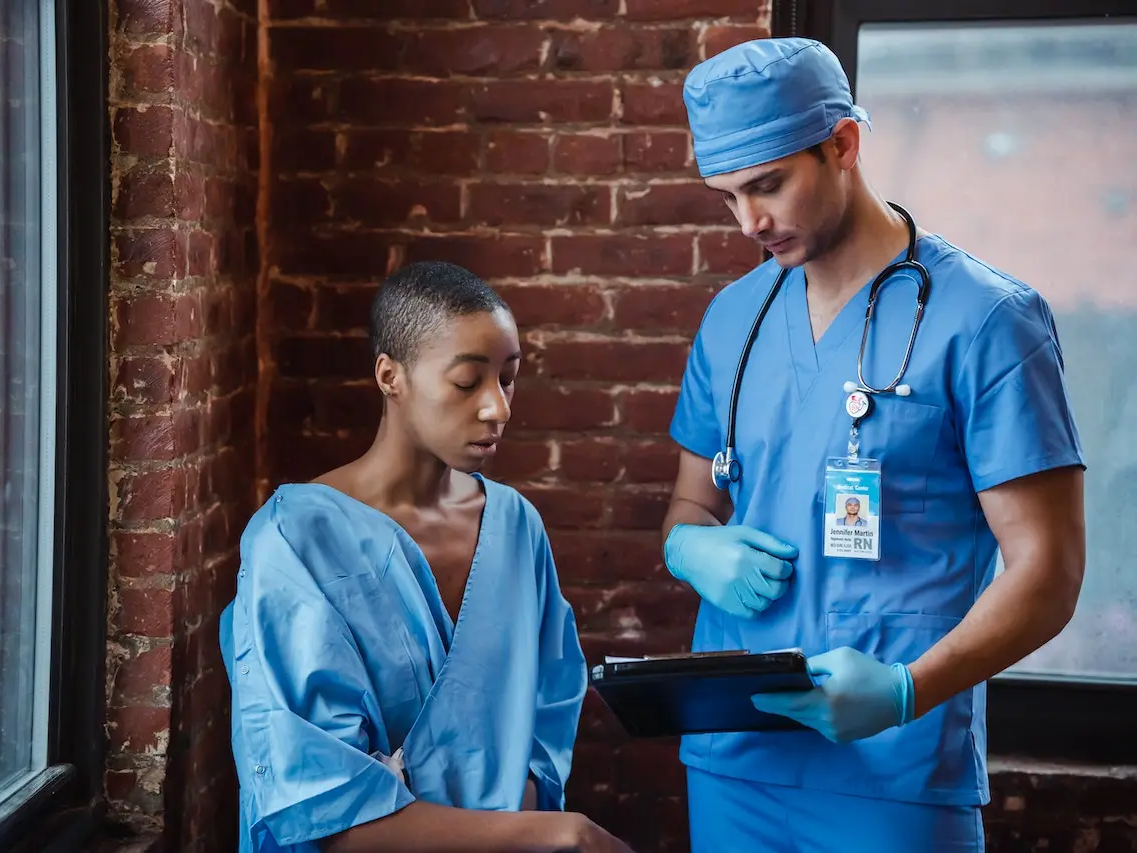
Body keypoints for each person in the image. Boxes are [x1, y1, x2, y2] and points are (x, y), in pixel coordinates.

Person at [661, 37, 1086, 852]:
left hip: (895, 767)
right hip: (734, 760)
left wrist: (902, 690)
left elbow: (1050, 571)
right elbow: (692, 501)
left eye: (768, 185)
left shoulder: (989, 322)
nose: (750, 222)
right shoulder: (733, 322)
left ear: (843, 144)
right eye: (727, 198)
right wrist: (689, 546)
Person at [220, 261, 633, 853]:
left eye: (508, 379)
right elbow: (323, 811)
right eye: (468, 382)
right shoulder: (295, 540)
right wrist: (551, 834)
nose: (498, 408)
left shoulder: (514, 525)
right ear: (391, 376)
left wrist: (517, 827)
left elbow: (547, 714)